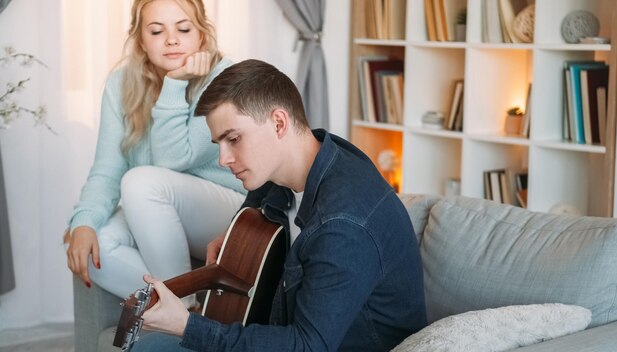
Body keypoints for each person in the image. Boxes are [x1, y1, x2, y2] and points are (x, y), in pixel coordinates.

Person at [132, 59, 427, 351]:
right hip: (280, 331)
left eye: (233, 139)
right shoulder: (308, 156)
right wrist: (236, 235)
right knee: (150, 346)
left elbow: (307, 347)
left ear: (278, 123)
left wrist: (187, 325)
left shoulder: (342, 225)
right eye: (219, 144)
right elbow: (258, 197)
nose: (223, 159)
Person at [64, 0, 245, 308]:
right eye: (157, 31)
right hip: (156, 209)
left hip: (227, 213)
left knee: (139, 182)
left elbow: (174, 159)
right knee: (101, 244)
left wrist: (175, 83)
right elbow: (107, 169)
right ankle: (185, 309)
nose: (172, 39)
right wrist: (83, 222)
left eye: (184, 29)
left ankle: (178, 314)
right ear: (140, 40)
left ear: (201, 34)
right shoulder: (120, 84)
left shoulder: (223, 78)